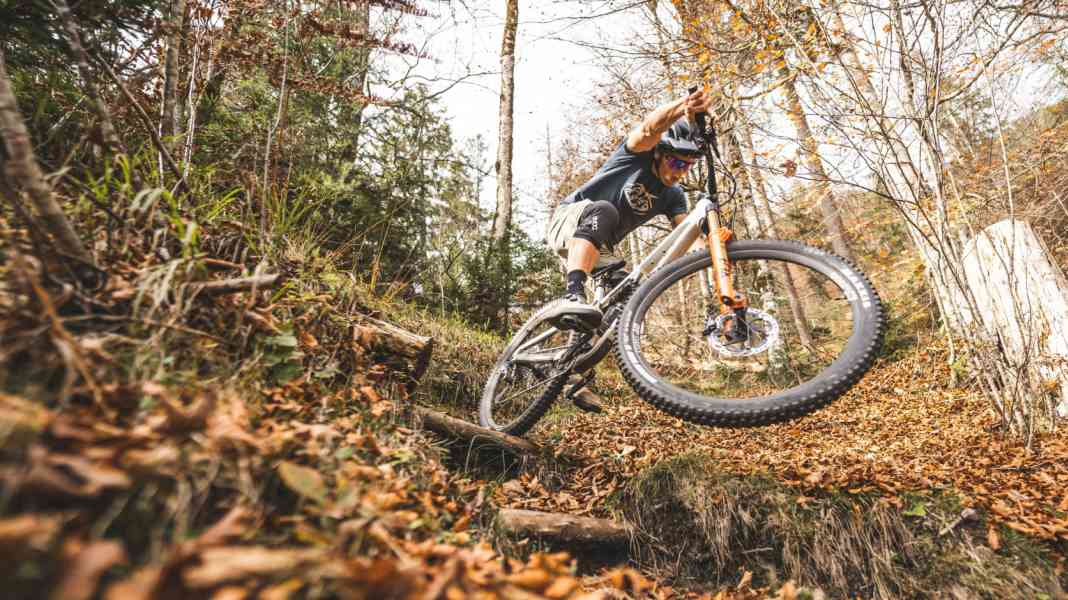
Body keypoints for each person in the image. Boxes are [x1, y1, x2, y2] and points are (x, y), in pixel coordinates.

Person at [545, 88, 713, 331]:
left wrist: (714, 257)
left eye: (687, 166)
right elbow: (649, 129)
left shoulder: (673, 196)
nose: (680, 171)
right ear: (660, 154)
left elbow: (689, 235)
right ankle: (572, 294)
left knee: (630, 293)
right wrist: (682, 106)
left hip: (600, 250)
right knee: (606, 210)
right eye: (676, 162)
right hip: (570, 222)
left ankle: (582, 351)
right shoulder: (635, 156)